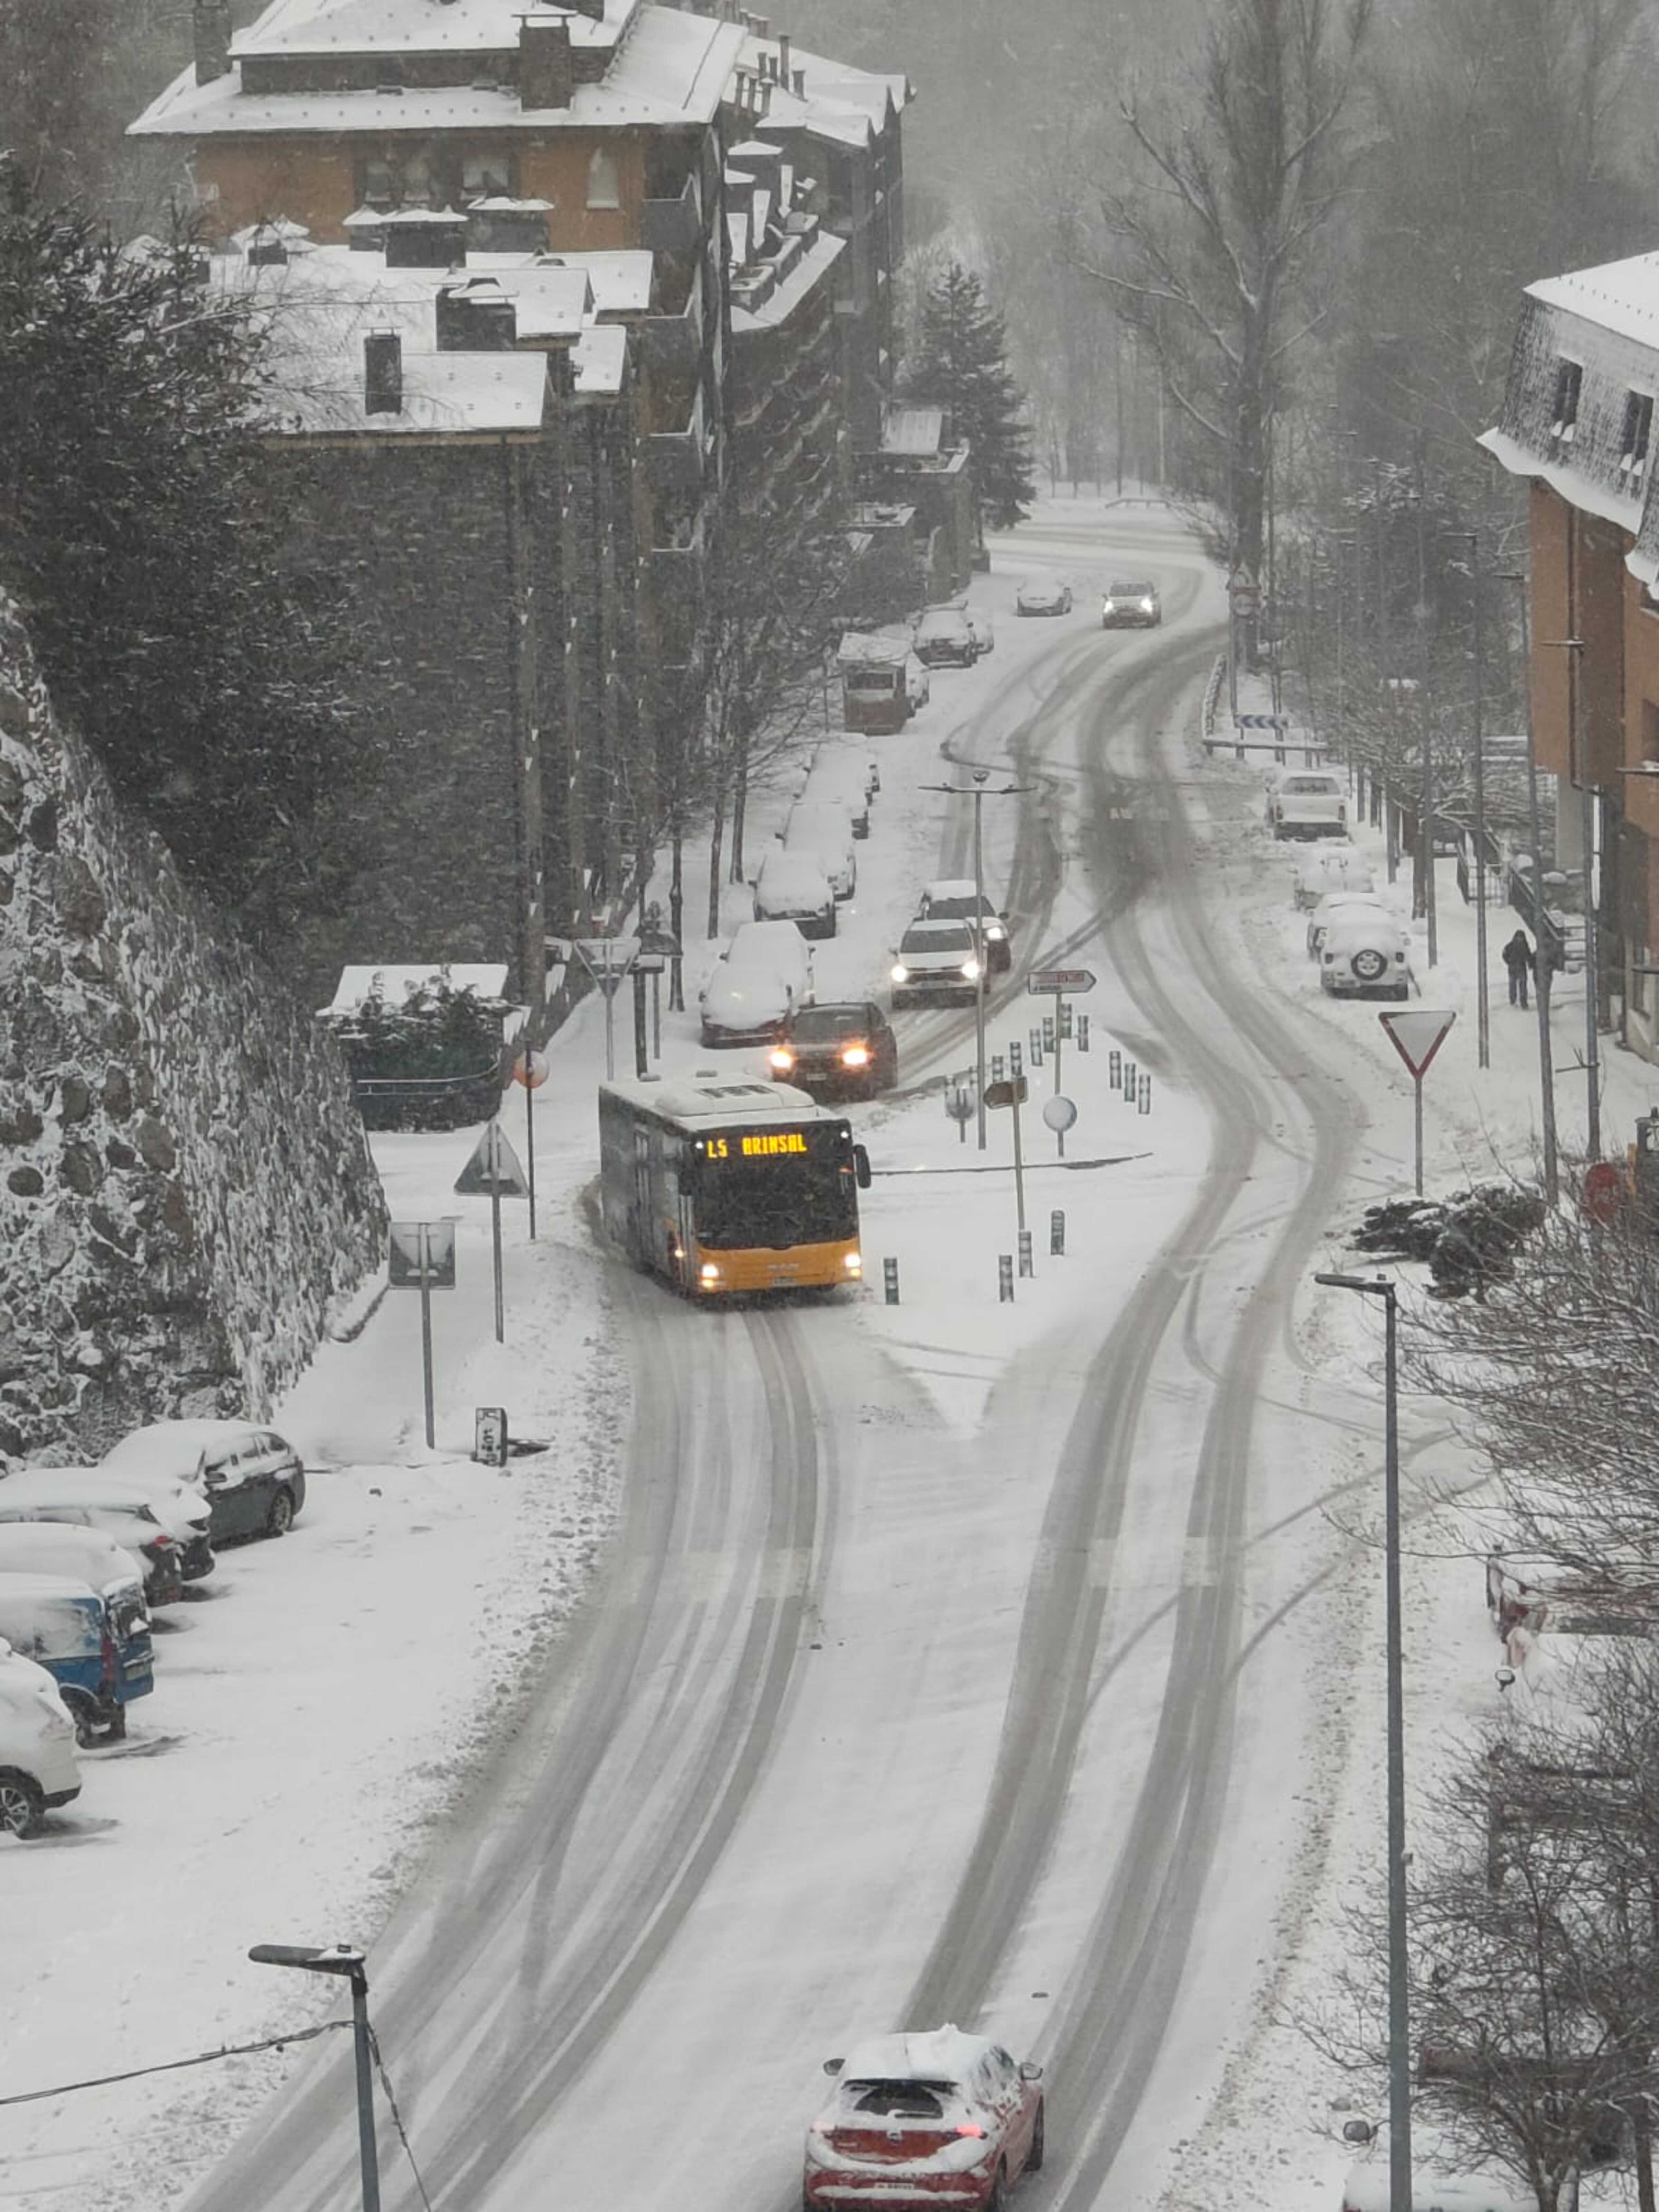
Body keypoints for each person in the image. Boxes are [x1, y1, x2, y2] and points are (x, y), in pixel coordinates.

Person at [1502, 927, 1535, 1009]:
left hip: (1521, 967)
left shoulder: (1525, 946)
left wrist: (1530, 963)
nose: (1520, 939)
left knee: (1522, 985)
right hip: (1513, 968)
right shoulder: (1510, 946)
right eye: (1519, 937)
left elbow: (1528, 956)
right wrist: (1509, 962)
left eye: (1521, 937)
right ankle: (1513, 1000)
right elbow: (1505, 954)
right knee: (1513, 985)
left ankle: (1523, 1002)